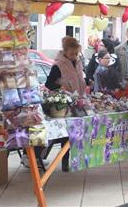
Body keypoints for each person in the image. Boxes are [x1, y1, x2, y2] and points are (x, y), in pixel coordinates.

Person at [45, 37, 86, 172]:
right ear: (65, 52)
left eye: (76, 53)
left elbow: (80, 79)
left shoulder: (79, 63)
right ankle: (64, 161)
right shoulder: (58, 65)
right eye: (72, 54)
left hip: (79, 101)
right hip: (65, 104)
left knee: (78, 132)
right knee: (66, 134)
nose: (74, 56)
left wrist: (86, 84)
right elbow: (49, 84)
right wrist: (60, 86)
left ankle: (77, 159)